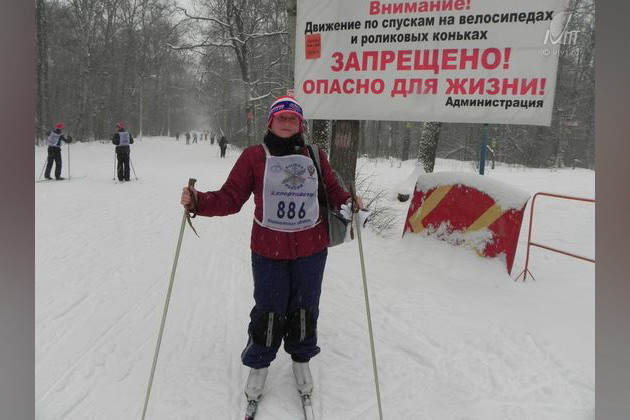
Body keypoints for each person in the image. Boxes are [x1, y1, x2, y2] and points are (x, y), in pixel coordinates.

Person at [180, 96, 364, 407]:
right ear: (271, 122)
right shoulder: (254, 156)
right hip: (269, 250)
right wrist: (198, 201)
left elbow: (333, 191)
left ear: (300, 124)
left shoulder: (315, 155)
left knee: (305, 308)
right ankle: (259, 365)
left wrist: (349, 201)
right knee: (269, 310)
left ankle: (301, 360)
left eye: (293, 119)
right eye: (282, 118)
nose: (287, 123)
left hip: (311, 249)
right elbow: (231, 197)